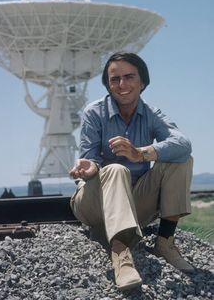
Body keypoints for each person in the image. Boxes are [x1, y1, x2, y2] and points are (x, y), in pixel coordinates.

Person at [69, 52, 194, 291]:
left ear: (142, 82)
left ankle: (165, 242)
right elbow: (91, 159)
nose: (122, 85)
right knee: (116, 169)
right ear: (108, 84)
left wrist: (141, 153)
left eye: (129, 77)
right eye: (115, 79)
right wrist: (90, 167)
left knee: (181, 159)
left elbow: (183, 144)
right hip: (95, 202)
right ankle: (121, 254)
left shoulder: (151, 115)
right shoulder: (94, 113)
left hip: (135, 203)